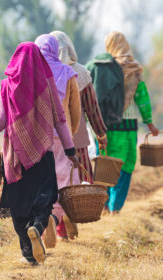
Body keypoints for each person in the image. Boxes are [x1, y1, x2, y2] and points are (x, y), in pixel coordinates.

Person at [0, 42, 78, 265]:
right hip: (44, 152)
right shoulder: (47, 83)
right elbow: (60, 118)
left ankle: (28, 253)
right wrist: (70, 149)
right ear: (38, 60)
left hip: (16, 155)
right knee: (44, 199)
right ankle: (37, 227)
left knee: (19, 204)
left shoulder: (7, 85)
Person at [86, 31, 159, 215]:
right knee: (124, 167)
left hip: (103, 128)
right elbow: (142, 99)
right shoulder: (133, 69)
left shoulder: (102, 68)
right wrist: (149, 123)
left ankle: (102, 205)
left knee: (105, 167)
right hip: (127, 129)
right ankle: (114, 209)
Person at [35, 34, 81, 244]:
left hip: (37, 137)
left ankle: (44, 223)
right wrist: (71, 132)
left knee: (41, 182)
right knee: (64, 181)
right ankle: (54, 217)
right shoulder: (68, 73)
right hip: (62, 136)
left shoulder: (32, 72)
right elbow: (75, 109)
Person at [50, 31, 107, 183]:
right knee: (82, 184)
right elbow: (92, 108)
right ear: (69, 48)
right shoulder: (80, 72)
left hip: (49, 138)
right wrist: (101, 134)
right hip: (77, 137)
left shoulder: (44, 72)